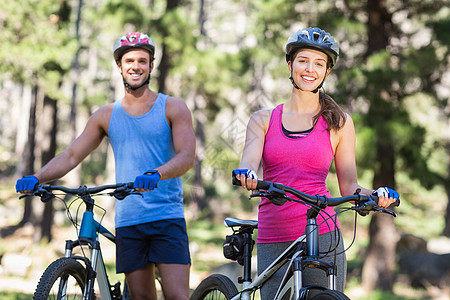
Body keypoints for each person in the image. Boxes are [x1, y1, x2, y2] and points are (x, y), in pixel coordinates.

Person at [16, 32, 196, 300]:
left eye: (143, 61)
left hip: (166, 216)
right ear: (120, 67)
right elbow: (72, 154)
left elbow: (186, 157)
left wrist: (157, 174)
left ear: (151, 66)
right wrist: (37, 177)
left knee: (177, 297)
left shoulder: (173, 107)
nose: (136, 66)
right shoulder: (106, 115)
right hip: (129, 220)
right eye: (130, 61)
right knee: (141, 298)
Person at [233, 27, 399, 299]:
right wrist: (248, 175)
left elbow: (350, 185)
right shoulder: (263, 120)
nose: (310, 69)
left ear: (327, 72)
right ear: (290, 64)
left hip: (322, 234)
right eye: (303, 60)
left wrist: (377, 194)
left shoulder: (340, 123)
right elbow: (248, 163)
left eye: (319, 63)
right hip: (275, 234)